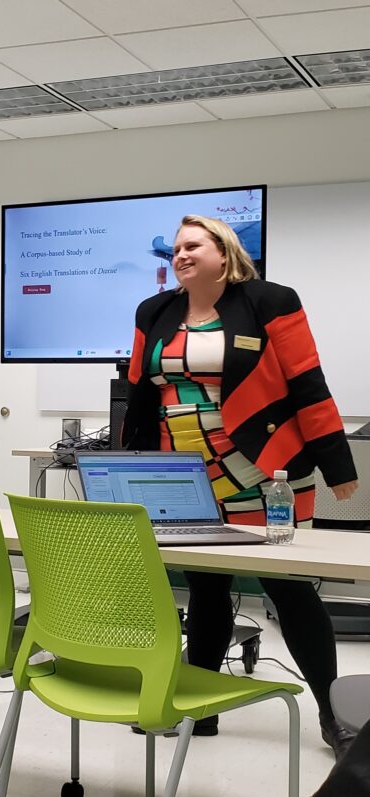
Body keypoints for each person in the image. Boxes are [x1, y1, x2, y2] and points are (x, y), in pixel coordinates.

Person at [122, 214, 359, 758]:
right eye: (175, 248)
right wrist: (126, 462)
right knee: (205, 586)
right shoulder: (153, 311)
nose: (180, 255)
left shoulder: (269, 301)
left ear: (223, 255)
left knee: (289, 587)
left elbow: (307, 382)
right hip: (184, 477)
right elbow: (139, 391)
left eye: (192, 246)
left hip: (262, 471)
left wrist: (338, 467)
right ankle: (198, 710)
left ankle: (333, 714)